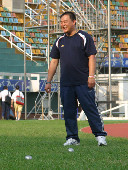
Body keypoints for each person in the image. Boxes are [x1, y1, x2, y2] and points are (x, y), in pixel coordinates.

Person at [45, 11, 107, 146]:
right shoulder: (59, 41)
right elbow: (54, 62)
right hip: (66, 83)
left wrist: (91, 76)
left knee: (90, 109)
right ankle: (72, 138)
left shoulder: (84, 37)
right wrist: (48, 81)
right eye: (61, 22)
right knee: (68, 112)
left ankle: (100, 136)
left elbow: (92, 57)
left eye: (65, 21)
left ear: (74, 22)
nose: (63, 24)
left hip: (83, 82)